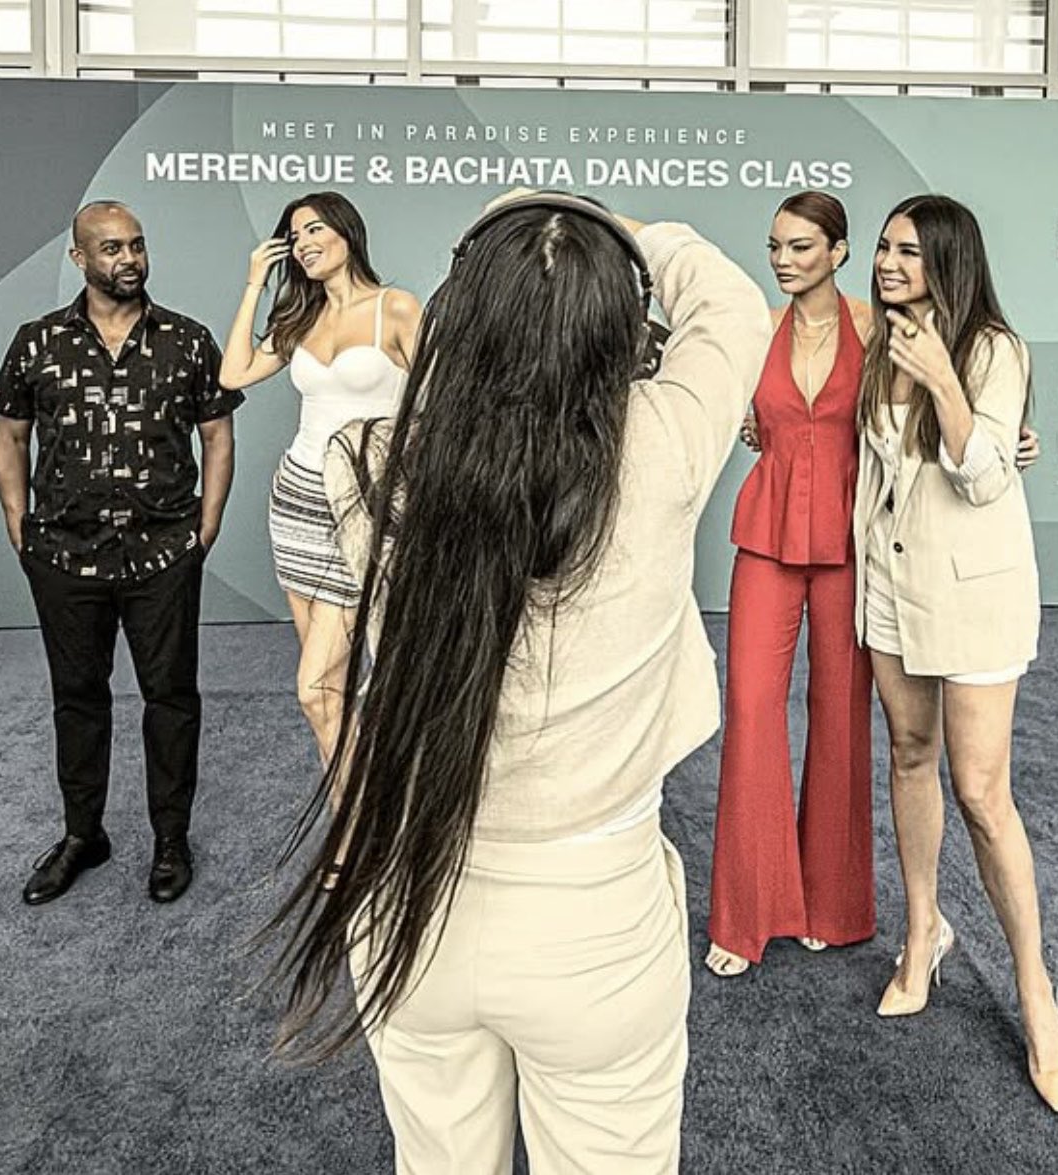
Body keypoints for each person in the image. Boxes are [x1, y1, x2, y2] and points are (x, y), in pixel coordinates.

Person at [268, 192, 771, 1173]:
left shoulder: (362, 462)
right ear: (620, 331)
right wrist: (616, 229)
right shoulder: (662, 445)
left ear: (457, 315)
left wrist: (516, 232)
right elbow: (735, 305)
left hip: (408, 904)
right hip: (590, 922)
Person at [706, 194, 1042, 978]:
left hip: (857, 543)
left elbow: (951, 429)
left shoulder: (876, 325)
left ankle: (832, 903)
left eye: (799, 246)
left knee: (843, 719)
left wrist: (1008, 441)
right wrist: (753, 425)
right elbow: (740, 412)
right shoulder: (758, 330)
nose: (783, 259)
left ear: (837, 251)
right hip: (769, 532)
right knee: (752, 710)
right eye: (774, 246)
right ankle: (747, 912)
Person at [853, 194, 1058, 1112]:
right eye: (881, 246)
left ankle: (1036, 993)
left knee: (982, 792)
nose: (886, 262)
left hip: (975, 594)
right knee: (909, 757)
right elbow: (869, 460)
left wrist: (946, 382)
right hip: (891, 586)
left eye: (906, 250)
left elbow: (982, 477)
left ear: (947, 256)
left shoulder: (992, 347)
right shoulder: (879, 340)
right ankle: (922, 935)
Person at [0, 200, 241, 905]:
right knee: (77, 699)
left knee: (170, 697)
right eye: (110, 249)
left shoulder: (187, 341)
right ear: (79, 258)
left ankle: (170, 837)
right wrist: (20, 525)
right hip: (64, 557)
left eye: (136, 245)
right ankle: (82, 835)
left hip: (162, 554)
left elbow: (217, 433)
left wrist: (206, 525)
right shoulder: (36, 342)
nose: (127, 259)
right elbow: (9, 435)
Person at [220, 192, 421, 765]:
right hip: (296, 502)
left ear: (346, 232)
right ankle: (352, 830)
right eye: (294, 235)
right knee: (328, 696)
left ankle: (363, 823)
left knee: (314, 688)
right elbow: (233, 373)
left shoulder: (396, 308)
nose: (303, 243)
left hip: (362, 507)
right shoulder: (300, 317)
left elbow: (442, 405)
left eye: (314, 230)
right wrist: (256, 281)